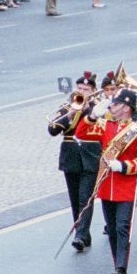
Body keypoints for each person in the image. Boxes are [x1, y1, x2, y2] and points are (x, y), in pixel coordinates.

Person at [73, 89, 137, 274]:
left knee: (122, 226)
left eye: (115, 104)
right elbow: (80, 133)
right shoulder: (106, 126)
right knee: (112, 229)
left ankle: (121, 268)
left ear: (126, 108)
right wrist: (92, 116)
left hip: (126, 187)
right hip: (106, 185)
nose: (111, 107)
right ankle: (116, 263)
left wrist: (124, 166)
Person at [49, 73, 100, 251]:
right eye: (79, 88)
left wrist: (88, 110)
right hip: (71, 156)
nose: (82, 92)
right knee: (74, 197)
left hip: (90, 156)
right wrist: (70, 114)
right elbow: (52, 129)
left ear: (94, 91)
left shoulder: (98, 108)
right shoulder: (67, 106)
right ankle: (83, 233)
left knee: (85, 198)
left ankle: (80, 235)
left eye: (86, 89)